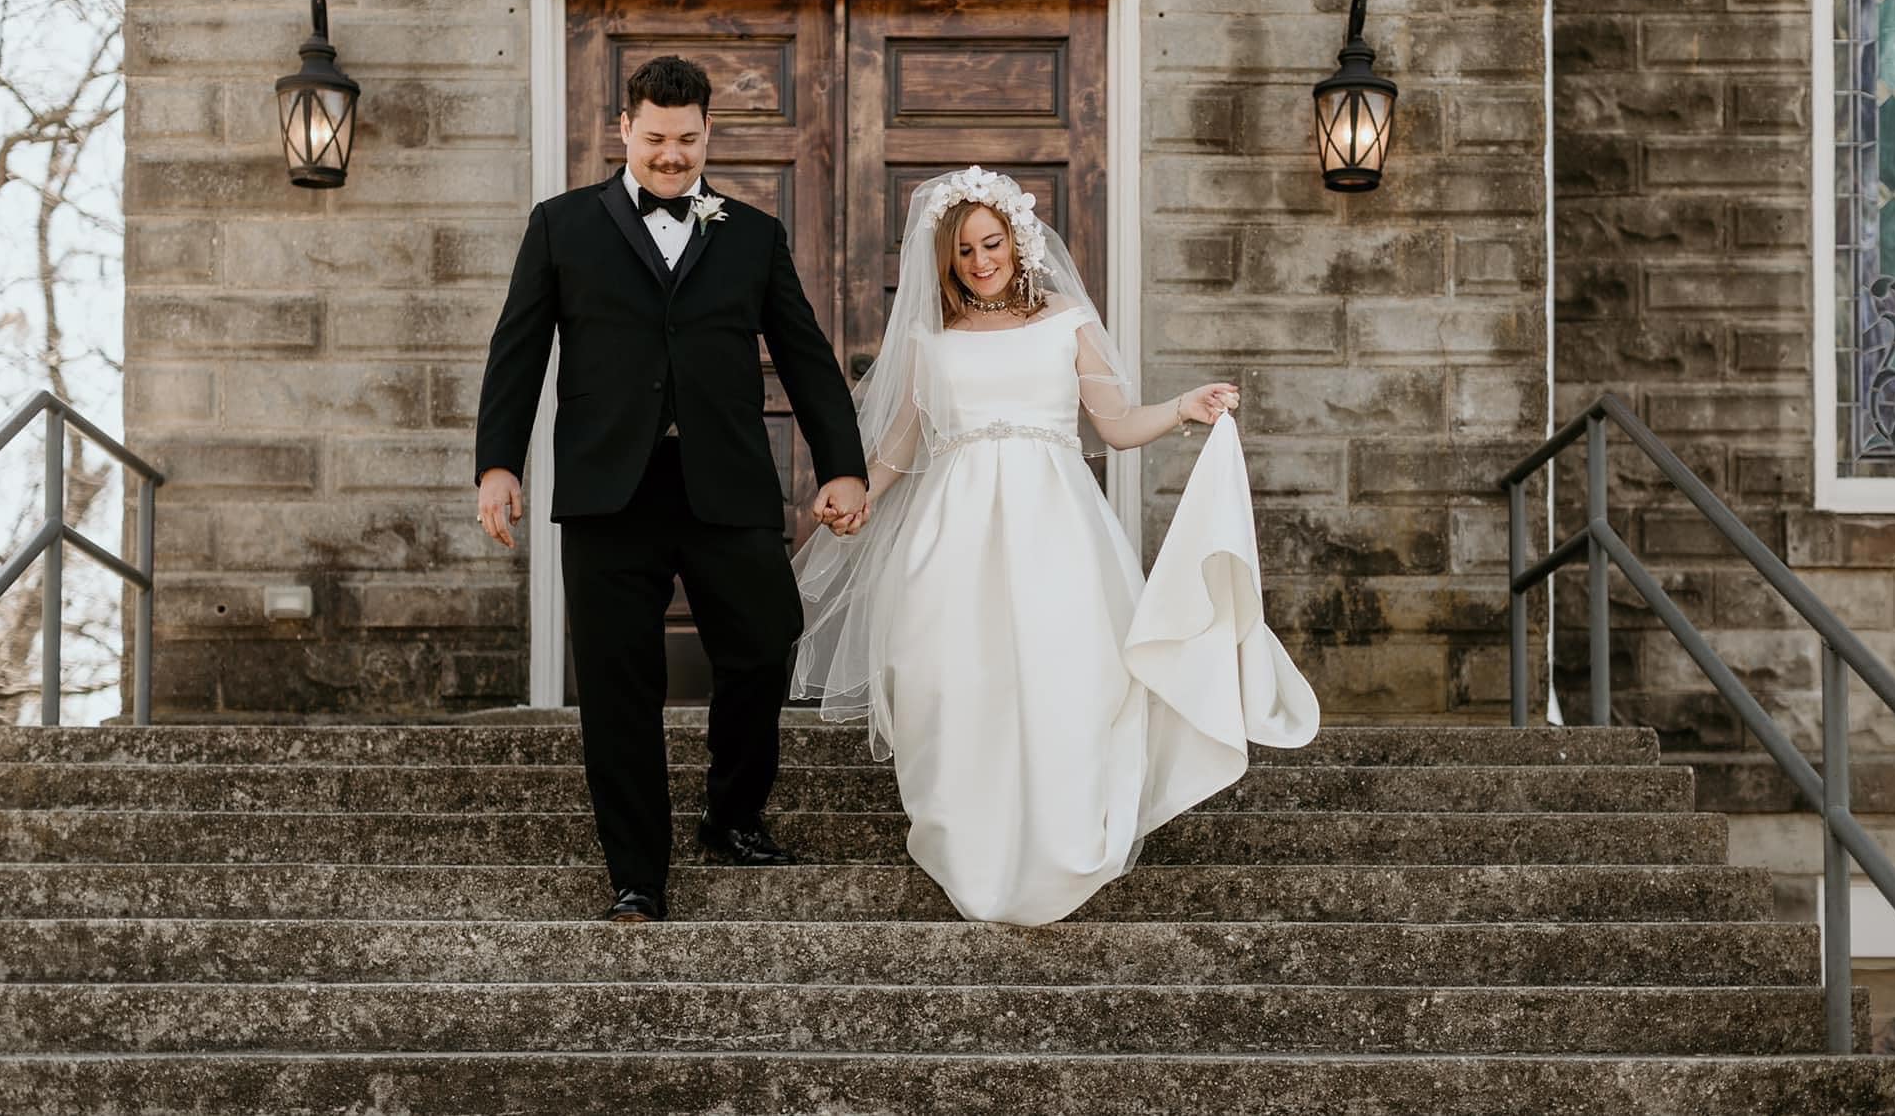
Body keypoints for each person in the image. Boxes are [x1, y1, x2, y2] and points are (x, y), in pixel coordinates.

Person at [792, 165, 1318, 926]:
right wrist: (857, 492)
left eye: (992, 243)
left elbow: (1115, 424)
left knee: (1066, 680)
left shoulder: (1066, 318)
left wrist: (1183, 408)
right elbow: (902, 450)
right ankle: (972, 845)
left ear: (1018, 240)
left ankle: (1062, 838)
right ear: (945, 261)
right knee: (952, 684)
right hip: (953, 540)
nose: (980, 261)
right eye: (964, 251)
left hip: (1057, 533)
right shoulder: (927, 341)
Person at [473, 55, 867, 923]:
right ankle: (637, 874)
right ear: (624, 129)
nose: (671, 155)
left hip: (725, 483)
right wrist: (499, 463)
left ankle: (732, 815)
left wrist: (842, 461)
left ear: (708, 135)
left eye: (687, 140)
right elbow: (519, 352)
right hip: (609, 492)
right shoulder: (561, 226)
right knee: (619, 683)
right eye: (655, 138)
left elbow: (804, 355)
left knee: (767, 641)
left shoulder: (752, 234)